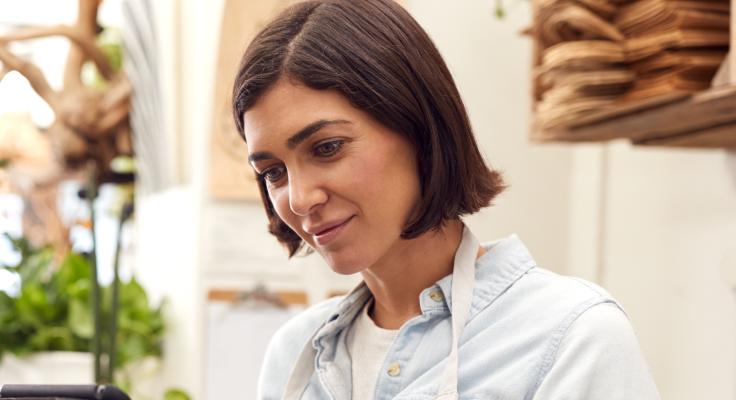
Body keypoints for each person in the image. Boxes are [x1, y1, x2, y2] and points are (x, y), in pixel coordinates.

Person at [230, 1, 660, 399]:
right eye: (273, 172)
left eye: (327, 148)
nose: (299, 199)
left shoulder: (571, 336)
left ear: (418, 126)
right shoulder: (294, 354)